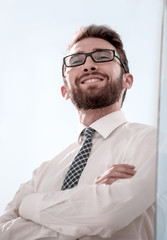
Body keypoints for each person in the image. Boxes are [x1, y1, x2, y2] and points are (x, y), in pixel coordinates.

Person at [0, 24, 157, 240]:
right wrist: (86, 201)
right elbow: (4, 231)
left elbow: (106, 215)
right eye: (76, 60)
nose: (89, 65)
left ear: (127, 80)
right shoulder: (43, 172)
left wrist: (28, 205)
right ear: (65, 91)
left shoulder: (153, 141)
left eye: (102, 56)